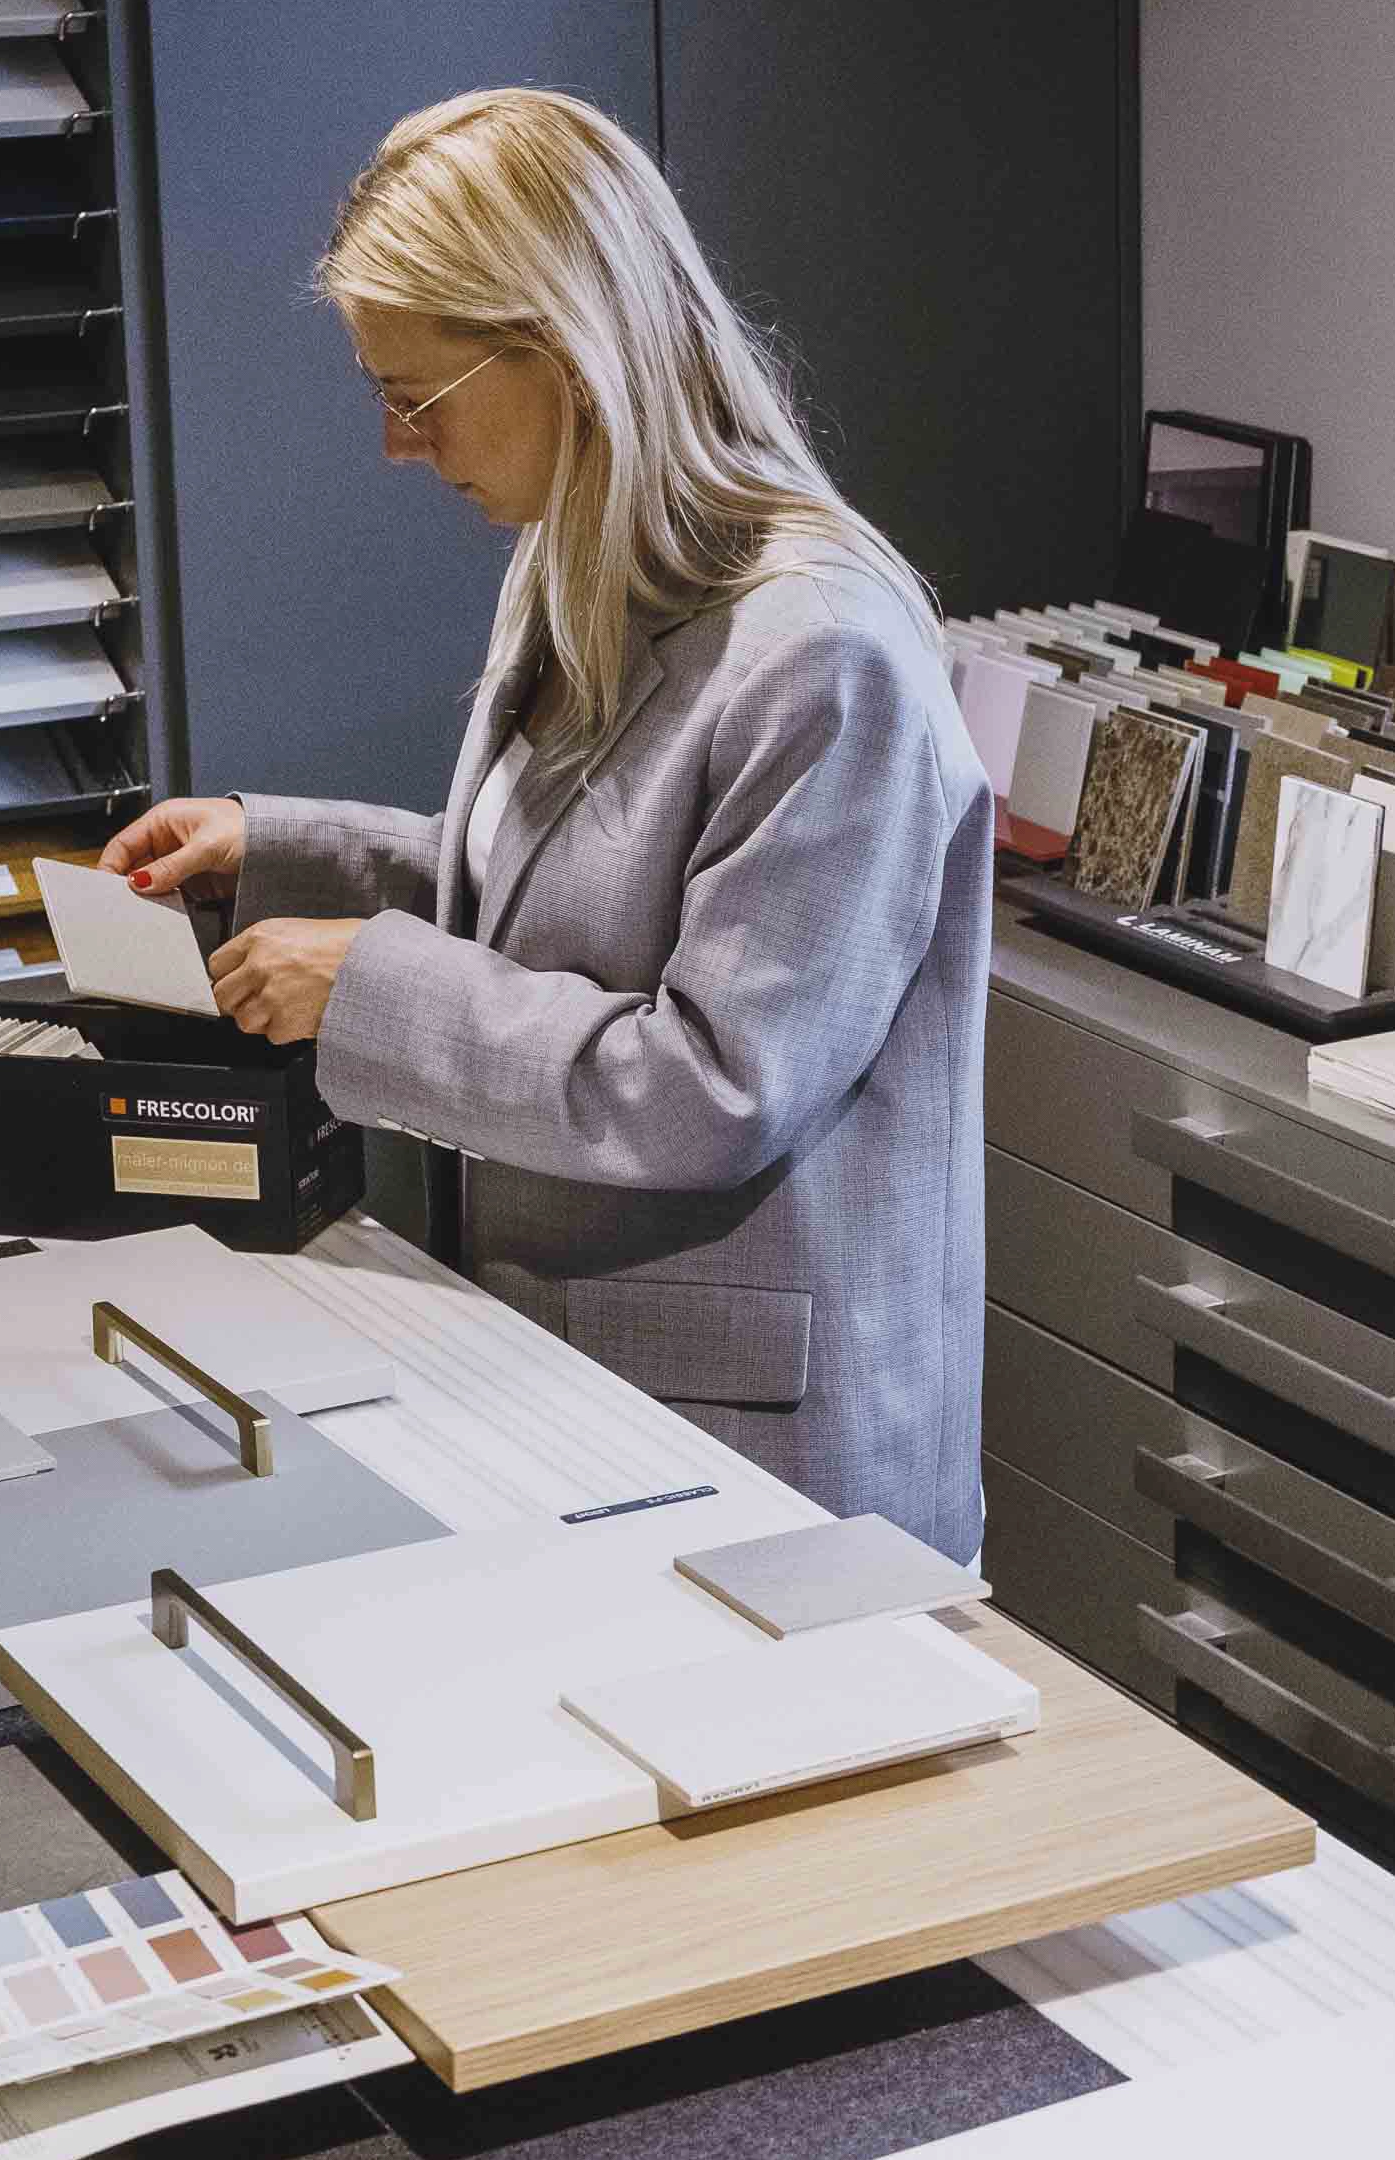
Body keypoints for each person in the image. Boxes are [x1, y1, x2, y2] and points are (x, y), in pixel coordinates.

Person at [100, 87, 991, 1558]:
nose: (395, 444)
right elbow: (552, 908)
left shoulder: (827, 654)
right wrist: (279, 852)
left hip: (769, 1471)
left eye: (417, 394)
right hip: (557, 1383)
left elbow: (713, 1079)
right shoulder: (577, 560)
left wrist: (364, 985)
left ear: (564, 347)